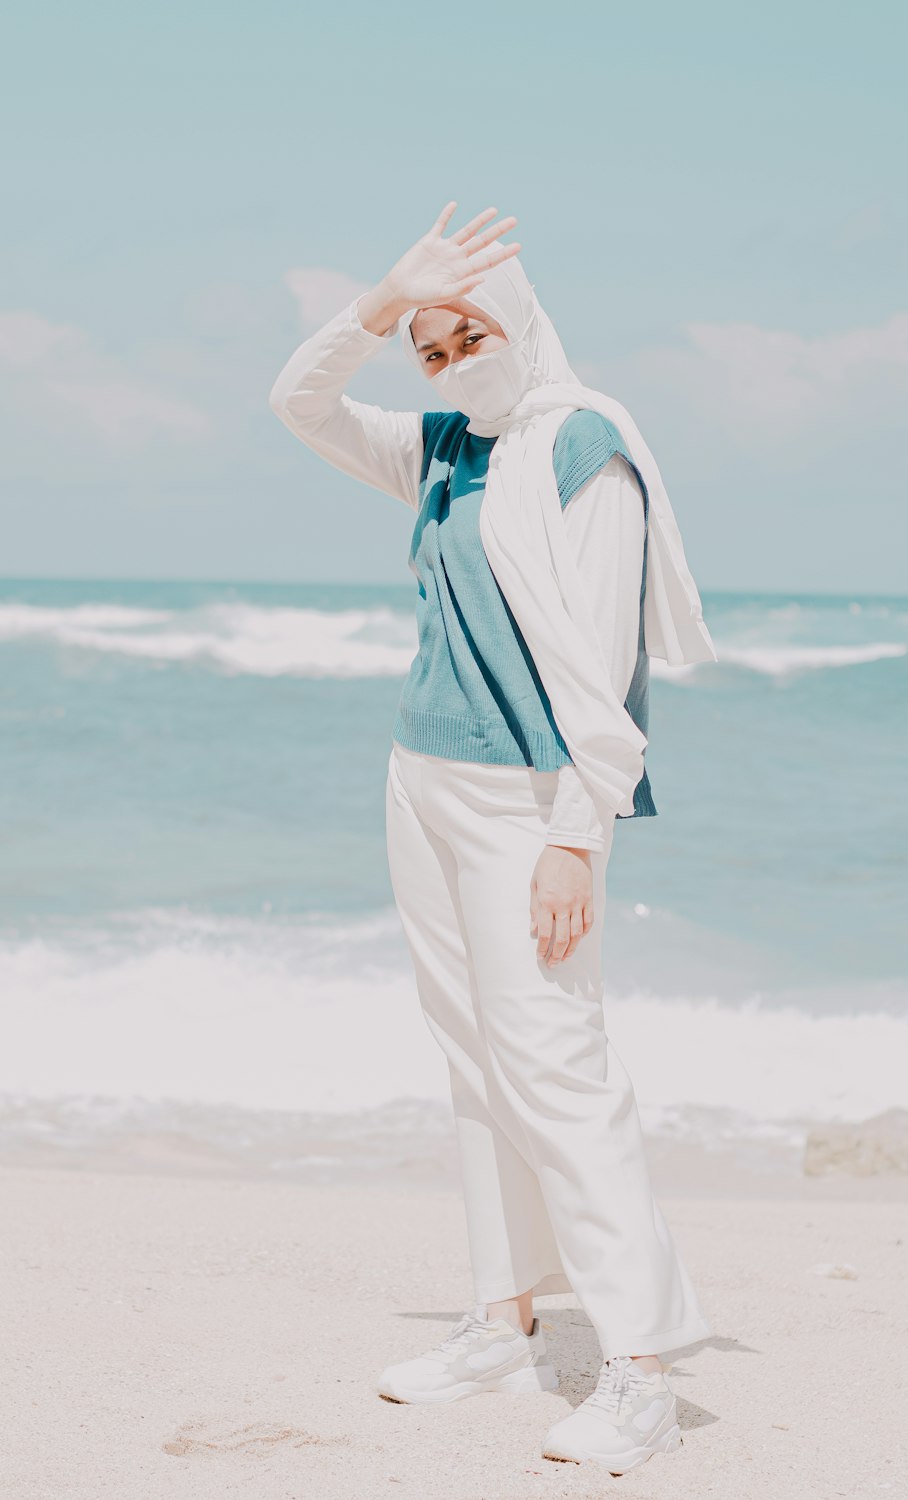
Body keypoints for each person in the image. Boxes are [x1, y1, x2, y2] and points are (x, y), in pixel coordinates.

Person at [268, 202, 717, 1477]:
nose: (456, 355)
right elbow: (297, 404)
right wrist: (377, 302)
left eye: (471, 330)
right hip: (422, 782)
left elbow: (608, 663)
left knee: (556, 1065)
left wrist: (580, 834)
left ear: (520, 315)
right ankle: (502, 1315)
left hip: (533, 805)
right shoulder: (443, 448)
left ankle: (639, 1370)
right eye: (433, 345)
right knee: (474, 1059)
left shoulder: (584, 447)